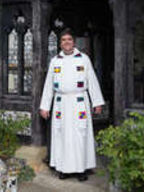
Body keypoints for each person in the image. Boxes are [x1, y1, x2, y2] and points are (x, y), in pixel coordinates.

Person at [39, 28, 105, 181]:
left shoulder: (83, 59)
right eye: (63, 40)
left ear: (73, 42)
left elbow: (92, 81)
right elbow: (49, 85)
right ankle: (64, 169)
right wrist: (44, 106)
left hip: (78, 103)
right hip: (61, 104)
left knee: (80, 135)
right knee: (61, 135)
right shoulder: (55, 61)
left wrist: (97, 102)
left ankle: (81, 169)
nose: (66, 42)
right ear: (60, 44)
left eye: (69, 39)